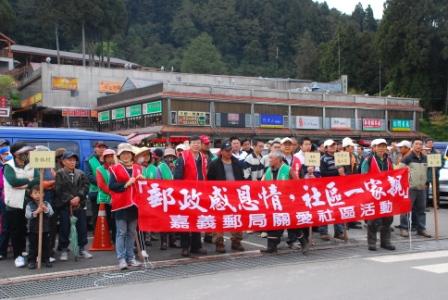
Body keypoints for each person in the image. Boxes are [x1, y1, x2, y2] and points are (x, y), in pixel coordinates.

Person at [261, 151, 309, 255]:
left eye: (271, 158)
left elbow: (298, 184)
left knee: (292, 224)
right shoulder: (268, 170)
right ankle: (271, 247)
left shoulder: (288, 170)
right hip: (273, 202)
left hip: (287, 202)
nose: (269, 160)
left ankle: (304, 243)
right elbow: (262, 184)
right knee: (272, 224)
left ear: (278, 159)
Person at [3, 142, 39, 268]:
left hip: (30, 201)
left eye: (27, 152)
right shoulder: (9, 166)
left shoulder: (31, 164)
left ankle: (26, 251)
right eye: (23, 152)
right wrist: (29, 181)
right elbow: (13, 182)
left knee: (28, 229)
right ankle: (18, 255)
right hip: (14, 203)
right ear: (15, 154)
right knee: (16, 230)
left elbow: (38, 179)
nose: (26, 154)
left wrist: (23, 184)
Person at [207, 140, 245, 253]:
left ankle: (236, 241)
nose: (229, 153)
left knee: (236, 218)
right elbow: (209, 180)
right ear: (222, 151)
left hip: (235, 195)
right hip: (219, 196)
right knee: (219, 219)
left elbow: (242, 178)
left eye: (231, 151)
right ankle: (219, 242)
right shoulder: (214, 164)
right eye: (227, 151)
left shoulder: (237, 162)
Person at [109, 143, 143, 270]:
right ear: (119, 155)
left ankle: (131, 258)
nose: (126, 156)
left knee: (131, 232)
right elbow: (111, 186)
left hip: (134, 204)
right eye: (123, 154)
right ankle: (121, 259)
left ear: (132, 155)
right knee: (121, 232)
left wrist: (143, 180)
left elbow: (142, 186)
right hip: (121, 205)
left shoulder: (138, 168)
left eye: (128, 153)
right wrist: (126, 184)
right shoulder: (114, 168)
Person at [174, 136, 207, 257]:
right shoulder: (183, 156)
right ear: (189, 144)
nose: (196, 145)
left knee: (197, 220)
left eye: (198, 143)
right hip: (186, 194)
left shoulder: (203, 157)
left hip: (199, 194)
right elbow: (177, 177)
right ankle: (185, 247)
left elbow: (204, 174)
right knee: (186, 221)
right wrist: (179, 192)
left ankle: (196, 246)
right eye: (194, 143)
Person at [55, 152, 92, 261]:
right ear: (63, 161)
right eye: (69, 160)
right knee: (64, 228)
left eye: (74, 160)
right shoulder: (59, 174)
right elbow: (59, 189)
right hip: (65, 206)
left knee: (82, 227)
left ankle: (82, 249)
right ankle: (64, 249)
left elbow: (86, 186)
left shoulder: (80, 173)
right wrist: (70, 199)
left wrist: (79, 197)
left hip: (79, 205)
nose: (72, 162)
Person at [360, 139, 395, 251]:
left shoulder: (389, 160)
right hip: (373, 194)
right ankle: (372, 243)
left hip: (386, 194)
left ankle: (386, 242)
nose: (381, 148)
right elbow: (363, 177)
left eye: (383, 146)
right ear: (373, 148)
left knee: (388, 219)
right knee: (373, 220)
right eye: (379, 146)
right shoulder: (368, 160)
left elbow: (393, 175)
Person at [398, 139, 431, 238]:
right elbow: (400, 171)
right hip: (410, 188)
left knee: (421, 210)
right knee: (406, 209)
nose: (419, 146)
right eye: (416, 144)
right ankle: (404, 228)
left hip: (421, 188)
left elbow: (429, 171)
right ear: (412, 146)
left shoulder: (425, 158)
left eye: (420, 144)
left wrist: (426, 182)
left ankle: (421, 228)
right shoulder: (407, 158)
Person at [319, 139, 345, 241]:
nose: (333, 147)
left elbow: (344, 170)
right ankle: (323, 232)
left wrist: (343, 173)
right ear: (326, 148)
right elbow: (324, 173)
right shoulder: (323, 159)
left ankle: (339, 232)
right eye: (330, 146)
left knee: (338, 209)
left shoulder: (341, 156)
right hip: (327, 187)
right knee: (325, 209)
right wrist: (337, 172)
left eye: (334, 145)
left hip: (338, 187)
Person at [25, 183, 55, 269]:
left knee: (46, 245)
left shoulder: (46, 203)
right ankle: (32, 261)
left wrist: (45, 209)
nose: (38, 195)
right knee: (33, 246)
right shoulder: (29, 205)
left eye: (40, 193)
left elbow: (51, 213)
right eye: (35, 193)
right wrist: (36, 212)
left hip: (45, 229)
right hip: (34, 230)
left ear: (43, 194)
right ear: (31, 195)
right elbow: (27, 215)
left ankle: (46, 259)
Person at [157, 148, 179, 250]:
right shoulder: (160, 167)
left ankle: (172, 240)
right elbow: (157, 182)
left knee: (172, 219)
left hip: (174, 196)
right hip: (164, 196)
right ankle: (164, 242)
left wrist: (175, 169)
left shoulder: (176, 166)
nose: (170, 159)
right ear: (164, 157)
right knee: (163, 219)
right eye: (168, 157)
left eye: (172, 157)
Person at [85, 141, 108, 231]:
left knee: (108, 214)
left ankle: (107, 233)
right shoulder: (89, 160)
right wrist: (101, 183)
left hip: (108, 191)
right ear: (95, 149)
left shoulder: (109, 159)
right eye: (99, 147)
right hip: (95, 191)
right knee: (96, 213)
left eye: (103, 147)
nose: (102, 149)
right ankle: (97, 232)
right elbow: (89, 175)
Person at [96, 149, 117, 243]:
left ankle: (116, 238)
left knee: (117, 219)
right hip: (106, 198)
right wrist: (111, 193)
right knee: (109, 219)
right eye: (107, 157)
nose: (110, 159)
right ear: (104, 159)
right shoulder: (99, 169)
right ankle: (110, 238)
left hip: (117, 197)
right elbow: (101, 184)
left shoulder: (118, 167)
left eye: (111, 156)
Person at [0, 139, 12, 260]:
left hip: (10, 197)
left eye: (6, 148)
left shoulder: (12, 164)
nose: (6, 154)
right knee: (4, 225)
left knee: (12, 224)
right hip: (3, 197)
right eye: (2, 150)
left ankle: (15, 248)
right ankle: (2, 250)